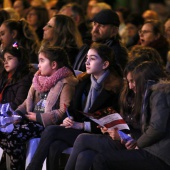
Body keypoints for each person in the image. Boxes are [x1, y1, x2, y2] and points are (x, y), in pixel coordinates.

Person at [26, 43, 123, 170]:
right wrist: (69, 118)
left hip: (98, 133)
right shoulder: (84, 81)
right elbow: (71, 108)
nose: (87, 62)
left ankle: (33, 168)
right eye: (87, 57)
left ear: (105, 64)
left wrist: (82, 125)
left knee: (51, 131)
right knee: (55, 144)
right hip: (78, 129)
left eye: (92, 58)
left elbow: (111, 122)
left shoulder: (115, 89)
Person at [65, 61, 170, 170]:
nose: (131, 86)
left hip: (157, 152)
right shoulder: (150, 93)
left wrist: (135, 142)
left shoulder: (159, 93)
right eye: (128, 81)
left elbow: (156, 128)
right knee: (86, 155)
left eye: (134, 81)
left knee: (97, 155)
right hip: (142, 144)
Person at [0, 45, 78, 170]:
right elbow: (27, 102)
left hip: (45, 124)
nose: (39, 65)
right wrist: (17, 114)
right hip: (30, 119)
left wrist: (38, 117)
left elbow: (63, 111)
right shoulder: (38, 79)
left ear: (53, 65)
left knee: (13, 136)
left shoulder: (66, 82)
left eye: (42, 61)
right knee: (5, 133)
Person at [0, 44, 35, 169]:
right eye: (4, 59)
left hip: (15, 117)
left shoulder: (25, 78)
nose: (5, 62)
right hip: (3, 116)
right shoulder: (4, 76)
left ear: (19, 59)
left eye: (9, 58)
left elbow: (18, 102)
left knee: (11, 138)